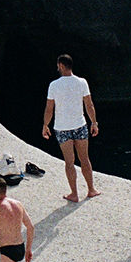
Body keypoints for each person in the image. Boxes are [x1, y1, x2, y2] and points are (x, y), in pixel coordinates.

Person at [42, 54, 100, 202]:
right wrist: (94, 122)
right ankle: (91, 190)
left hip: (62, 128)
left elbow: (49, 108)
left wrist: (45, 125)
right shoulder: (82, 82)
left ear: (61, 66)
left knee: (69, 162)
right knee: (84, 159)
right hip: (80, 125)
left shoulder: (54, 85)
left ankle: (74, 194)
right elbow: (89, 104)